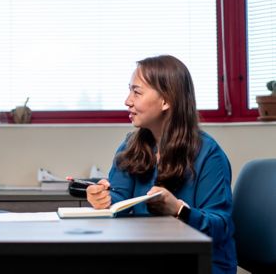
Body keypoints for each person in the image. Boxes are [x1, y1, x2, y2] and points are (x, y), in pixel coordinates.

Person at [86, 55, 236, 274]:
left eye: (136, 92)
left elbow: (220, 226)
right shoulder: (130, 147)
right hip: (148, 256)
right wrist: (104, 199)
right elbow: (120, 200)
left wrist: (179, 210)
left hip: (197, 263)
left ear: (166, 101)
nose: (127, 101)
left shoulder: (209, 154)